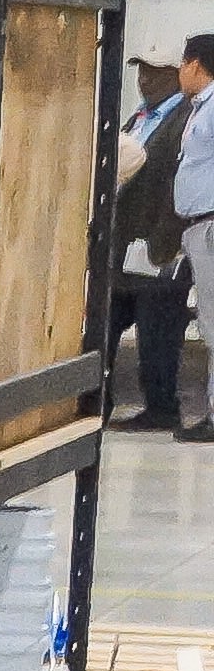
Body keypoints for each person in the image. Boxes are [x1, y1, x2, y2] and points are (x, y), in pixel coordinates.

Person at [116, 33, 208, 437]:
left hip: (164, 243)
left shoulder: (189, 115)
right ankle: (94, 402)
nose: (145, 81)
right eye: (142, 72)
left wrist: (166, 243)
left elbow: (174, 178)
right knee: (109, 323)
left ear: (181, 72)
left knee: (159, 331)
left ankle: (162, 406)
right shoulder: (138, 117)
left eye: (156, 73)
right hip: (125, 245)